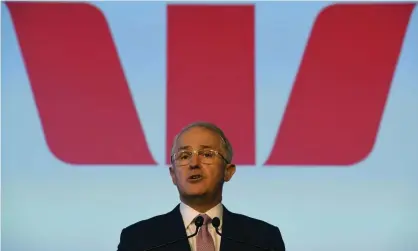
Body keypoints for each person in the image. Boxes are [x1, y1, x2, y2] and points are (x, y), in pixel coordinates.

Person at [117, 121, 286, 251]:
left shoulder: (264, 239)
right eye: (184, 156)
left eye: (207, 154)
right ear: (173, 175)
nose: (194, 163)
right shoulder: (138, 239)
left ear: (228, 171)